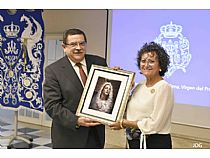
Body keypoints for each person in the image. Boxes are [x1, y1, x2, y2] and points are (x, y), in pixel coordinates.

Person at [43, 28, 107, 148]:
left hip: (96, 135)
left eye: (82, 43)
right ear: (64, 47)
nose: (78, 47)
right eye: (73, 44)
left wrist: (121, 80)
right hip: (69, 136)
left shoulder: (99, 62)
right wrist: (76, 120)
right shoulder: (53, 71)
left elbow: (106, 91)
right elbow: (52, 106)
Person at [109, 41, 174, 149]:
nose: (146, 65)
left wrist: (123, 123)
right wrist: (119, 80)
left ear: (160, 66)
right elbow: (126, 108)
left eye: (151, 61)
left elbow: (155, 124)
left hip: (154, 144)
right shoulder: (141, 84)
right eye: (143, 61)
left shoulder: (164, 87)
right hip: (134, 141)